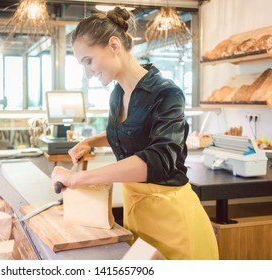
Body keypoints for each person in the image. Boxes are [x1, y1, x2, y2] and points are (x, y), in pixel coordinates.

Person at [50, 7, 219, 260]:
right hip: (138, 217)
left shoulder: (167, 93)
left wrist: (80, 179)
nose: (87, 72)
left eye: (88, 60)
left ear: (114, 45)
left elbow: (158, 158)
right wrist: (90, 142)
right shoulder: (117, 94)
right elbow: (128, 133)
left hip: (174, 222)